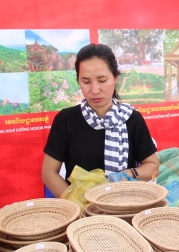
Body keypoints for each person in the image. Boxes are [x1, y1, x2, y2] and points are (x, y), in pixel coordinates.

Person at [42, 44, 159, 197]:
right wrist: (78, 205)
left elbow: (152, 167)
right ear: (78, 81)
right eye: (86, 81)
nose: (95, 90)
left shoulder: (131, 119)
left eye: (102, 80)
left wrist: (123, 175)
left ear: (115, 78)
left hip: (123, 205)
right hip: (80, 213)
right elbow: (48, 173)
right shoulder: (65, 120)